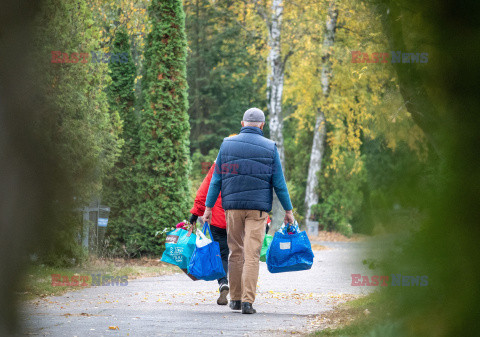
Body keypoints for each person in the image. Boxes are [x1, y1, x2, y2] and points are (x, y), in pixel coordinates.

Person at [203, 107, 294, 314]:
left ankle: (234, 299)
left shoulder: (226, 145)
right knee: (252, 255)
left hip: (232, 208)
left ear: (242, 124)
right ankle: (247, 302)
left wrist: (208, 208)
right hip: (258, 210)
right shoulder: (270, 147)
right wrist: (288, 210)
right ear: (262, 125)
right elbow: (279, 183)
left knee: (235, 252)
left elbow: (216, 180)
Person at [189, 161, 230, 305]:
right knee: (240, 254)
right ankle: (241, 291)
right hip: (240, 217)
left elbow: (205, 189)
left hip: (218, 217)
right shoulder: (248, 162)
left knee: (222, 254)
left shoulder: (218, 163)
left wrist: (195, 213)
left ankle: (223, 282)